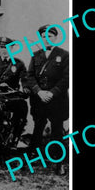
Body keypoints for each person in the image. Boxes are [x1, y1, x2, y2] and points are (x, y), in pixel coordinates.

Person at [26, 25, 69, 174]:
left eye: (49, 36)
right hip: (39, 99)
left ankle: (59, 162)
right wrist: (38, 92)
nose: (46, 39)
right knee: (38, 127)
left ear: (56, 38)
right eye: (43, 37)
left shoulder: (64, 55)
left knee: (57, 130)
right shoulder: (36, 55)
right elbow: (29, 76)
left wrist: (52, 93)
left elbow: (66, 78)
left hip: (57, 100)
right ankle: (33, 156)